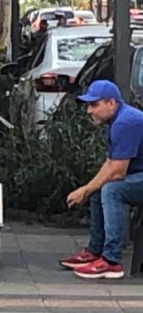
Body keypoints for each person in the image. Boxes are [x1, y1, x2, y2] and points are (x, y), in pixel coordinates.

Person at [60, 80, 143, 279]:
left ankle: (111, 261)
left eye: (94, 105)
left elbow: (117, 172)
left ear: (111, 103)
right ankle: (95, 252)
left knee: (112, 190)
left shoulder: (125, 122)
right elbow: (109, 165)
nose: (89, 111)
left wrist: (85, 190)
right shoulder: (117, 120)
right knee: (100, 188)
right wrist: (88, 188)